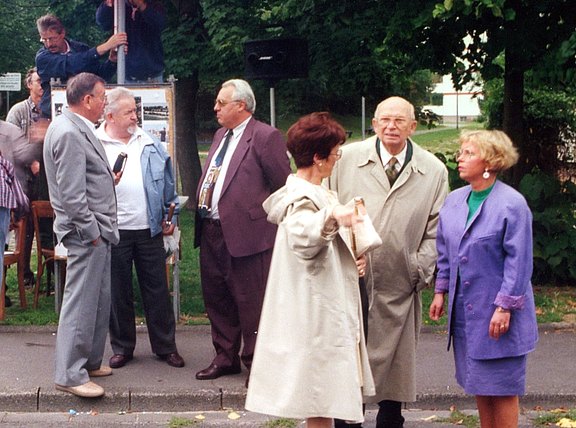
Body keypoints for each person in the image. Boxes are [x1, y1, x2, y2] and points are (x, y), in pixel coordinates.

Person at [245, 112, 375, 428]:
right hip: (315, 312)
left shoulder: (319, 191)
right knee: (320, 393)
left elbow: (327, 243)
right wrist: (333, 219)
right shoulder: (299, 197)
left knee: (323, 396)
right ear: (318, 158)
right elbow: (304, 237)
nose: (338, 158)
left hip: (324, 305)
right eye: (335, 153)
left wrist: (355, 254)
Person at [328, 96, 449, 428]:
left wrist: (418, 270)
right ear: (374, 124)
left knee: (395, 372)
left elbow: (437, 230)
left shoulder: (433, 169)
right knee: (350, 361)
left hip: (401, 280)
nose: (391, 126)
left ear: (413, 126)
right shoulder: (346, 159)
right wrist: (342, 255)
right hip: (353, 278)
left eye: (399, 121)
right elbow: (326, 207)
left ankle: (392, 416)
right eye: (385, 120)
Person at [429, 130, 538, 428]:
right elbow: (445, 251)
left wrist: (504, 307)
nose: (459, 158)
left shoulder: (511, 204)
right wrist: (440, 291)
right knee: (479, 385)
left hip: (500, 313)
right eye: (460, 152)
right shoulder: (454, 201)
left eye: (468, 153)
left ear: (489, 161)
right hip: (466, 311)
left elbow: (520, 261)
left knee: (501, 389)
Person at [194, 79, 291, 384]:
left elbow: (283, 185)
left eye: (221, 103)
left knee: (251, 301)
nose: (215, 108)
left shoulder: (265, 136)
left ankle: (257, 363)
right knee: (217, 297)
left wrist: (266, 223)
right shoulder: (221, 134)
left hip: (248, 235)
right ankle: (225, 357)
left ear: (242, 106)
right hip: (211, 230)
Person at [95, 87, 184, 369]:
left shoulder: (148, 142)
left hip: (149, 229)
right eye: (129, 112)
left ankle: (165, 346)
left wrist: (170, 215)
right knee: (118, 292)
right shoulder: (95, 143)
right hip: (114, 230)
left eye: (135, 110)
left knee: (157, 289)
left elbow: (168, 183)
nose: (135, 116)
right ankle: (122, 348)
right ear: (109, 115)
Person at [43, 72, 120, 398]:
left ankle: (89, 361)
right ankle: (69, 374)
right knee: (81, 303)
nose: (105, 103)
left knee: (97, 300)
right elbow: (72, 197)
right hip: (86, 233)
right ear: (87, 100)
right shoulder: (69, 133)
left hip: (95, 232)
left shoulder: (72, 128)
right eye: (102, 97)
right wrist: (91, 233)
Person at [6, 68, 52, 288]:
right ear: (29, 85)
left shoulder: (51, 109)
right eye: (38, 81)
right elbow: (11, 147)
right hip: (24, 180)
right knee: (24, 230)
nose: (42, 85)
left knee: (46, 225)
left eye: (44, 82)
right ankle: (24, 274)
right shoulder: (18, 111)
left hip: (47, 179)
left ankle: (51, 270)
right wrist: (34, 163)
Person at [35, 14, 127, 118]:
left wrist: (112, 61)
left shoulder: (81, 49)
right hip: (52, 114)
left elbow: (99, 76)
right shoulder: (42, 58)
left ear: (62, 33)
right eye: (44, 40)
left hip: (83, 112)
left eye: (52, 39)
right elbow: (72, 65)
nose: (48, 44)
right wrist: (104, 47)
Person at [96, 0, 165, 83]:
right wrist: (108, 3)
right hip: (126, 74)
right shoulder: (118, 5)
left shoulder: (153, 4)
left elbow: (160, 24)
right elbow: (102, 23)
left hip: (153, 75)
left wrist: (141, 5)